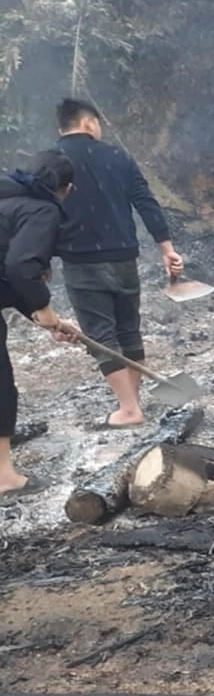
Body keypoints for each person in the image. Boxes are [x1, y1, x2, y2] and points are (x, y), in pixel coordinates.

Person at [54, 98, 185, 430]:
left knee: (101, 333)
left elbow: (40, 213)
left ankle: (128, 409)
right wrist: (166, 248)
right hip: (124, 257)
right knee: (128, 328)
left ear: (62, 128)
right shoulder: (117, 157)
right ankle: (133, 401)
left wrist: (39, 259)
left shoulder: (52, 162)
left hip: (82, 261)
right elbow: (145, 200)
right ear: (89, 123)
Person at [0, 150, 82, 497]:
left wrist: (46, 318)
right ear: (67, 188)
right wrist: (43, 308)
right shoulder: (41, 210)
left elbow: (8, 274)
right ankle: (4, 477)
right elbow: (21, 268)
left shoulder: (8, 202)